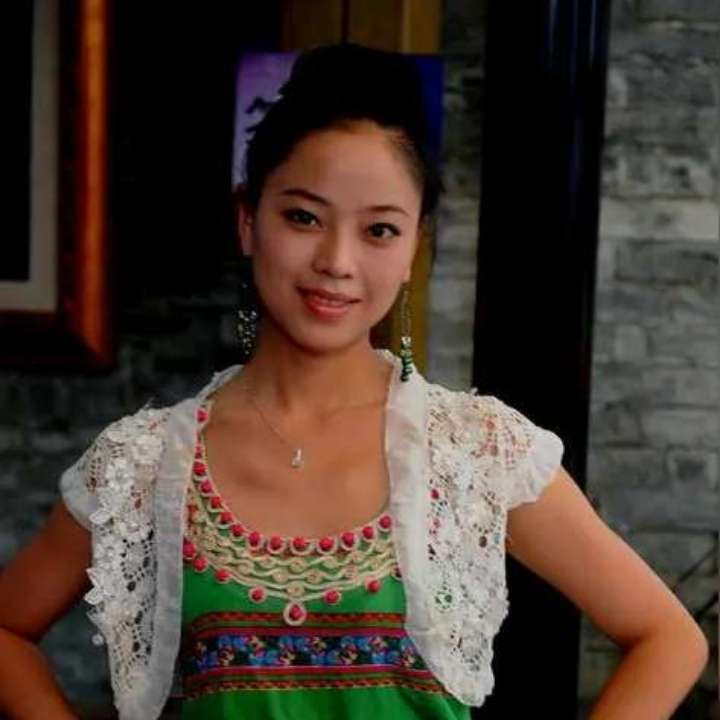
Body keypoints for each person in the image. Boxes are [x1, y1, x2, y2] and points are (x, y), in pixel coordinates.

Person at [0, 42, 709, 720]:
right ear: (248, 221)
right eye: (303, 217)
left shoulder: (476, 451)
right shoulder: (146, 463)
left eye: (379, 231)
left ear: (414, 248)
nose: (337, 261)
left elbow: (668, 639)